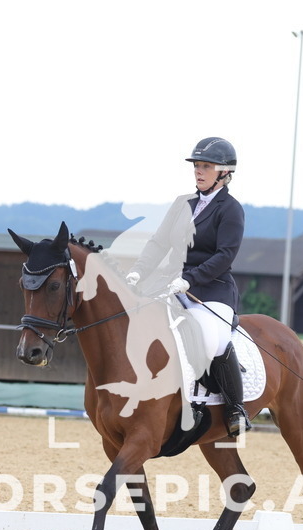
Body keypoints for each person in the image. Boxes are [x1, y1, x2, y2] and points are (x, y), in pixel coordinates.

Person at [126, 136, 250, 437]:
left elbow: (225, 255)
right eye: (197, 165)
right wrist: (138, 273)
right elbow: (159, 242)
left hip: (211, 289)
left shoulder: (231, 209)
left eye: (206, 166)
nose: (198, 171)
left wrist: (190, 279)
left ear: (224, 172)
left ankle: (235, 408)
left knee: (213, 340)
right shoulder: (183, 203)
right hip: (170, 285)